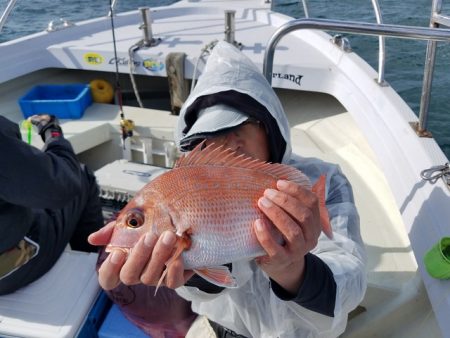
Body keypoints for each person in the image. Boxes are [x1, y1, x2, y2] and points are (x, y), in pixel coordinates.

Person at [88, 41, 367, 337]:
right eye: (210, 137)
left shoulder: (321, 181)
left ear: (270, 125)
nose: (230, 145)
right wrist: (194, 277)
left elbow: (351, 285)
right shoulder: (179, 189)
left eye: (240, 128)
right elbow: (204, 286)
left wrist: (292, 270)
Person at [0, 114, 104, 295]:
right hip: (8, 272)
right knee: (81, 175)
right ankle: (98, 269)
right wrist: (53, 133)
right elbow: (64, 186)